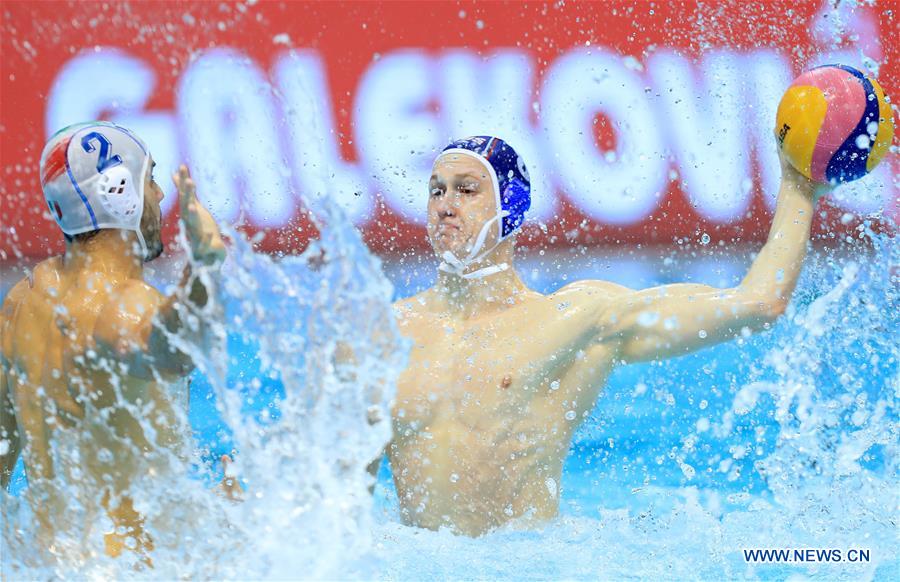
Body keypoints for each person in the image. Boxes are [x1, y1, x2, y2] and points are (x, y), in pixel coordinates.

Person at [384, 135, 826, 536]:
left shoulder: (576, 319)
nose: (445, 204)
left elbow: (759, 302)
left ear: (510, 206)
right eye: (436, 189)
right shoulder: (385, 333)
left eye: (466, 189)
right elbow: (340, 503)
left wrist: (798, 184)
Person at [0, 122, 226, 563]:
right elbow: (176, 353)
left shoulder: (20, 304)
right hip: (128, 569)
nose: (161, 196)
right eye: (151, 179)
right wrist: (204, 270)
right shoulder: (121, 306)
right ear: (119, 194)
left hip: (55, 564)